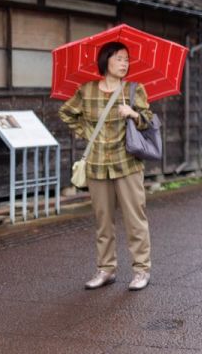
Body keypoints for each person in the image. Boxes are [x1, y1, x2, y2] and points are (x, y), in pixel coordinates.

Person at [58, 41, 154, 291]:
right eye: (119, 58)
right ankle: (106, 269)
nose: (125, 63)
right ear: (106, 60)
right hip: (98, 163)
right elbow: (66, 113)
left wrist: (132, 114)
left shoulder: (134, 89)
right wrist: (87, 133)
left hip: (127, 163)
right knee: (103, 221)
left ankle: (141, 270)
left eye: (127, 59)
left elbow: (149, 121)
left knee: (135, 219)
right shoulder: (86, 90)